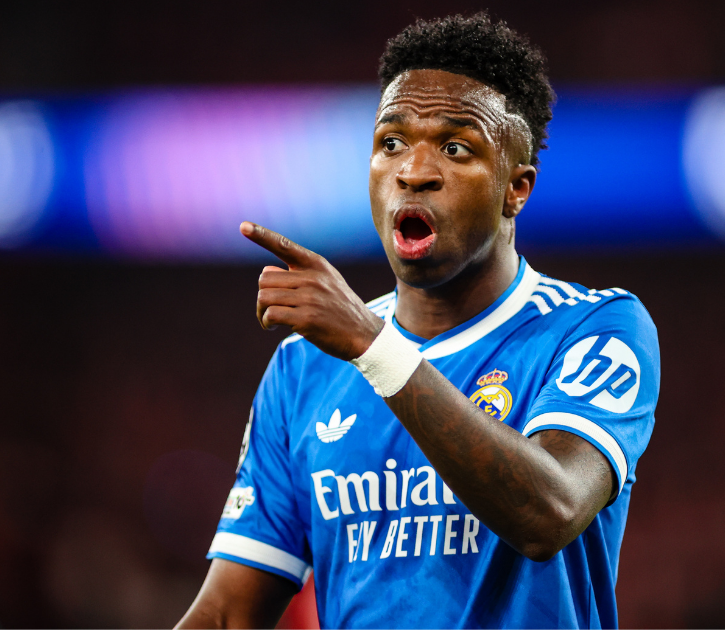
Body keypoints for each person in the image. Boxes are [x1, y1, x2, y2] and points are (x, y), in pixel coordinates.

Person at [177, 12, 659, 629]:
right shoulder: (304, 367)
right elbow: (226, 615)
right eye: (392, 142)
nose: (414, 171)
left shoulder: (594, 329)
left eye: (455, 148)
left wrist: (373, 346)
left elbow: (550, 511)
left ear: (517, 189)